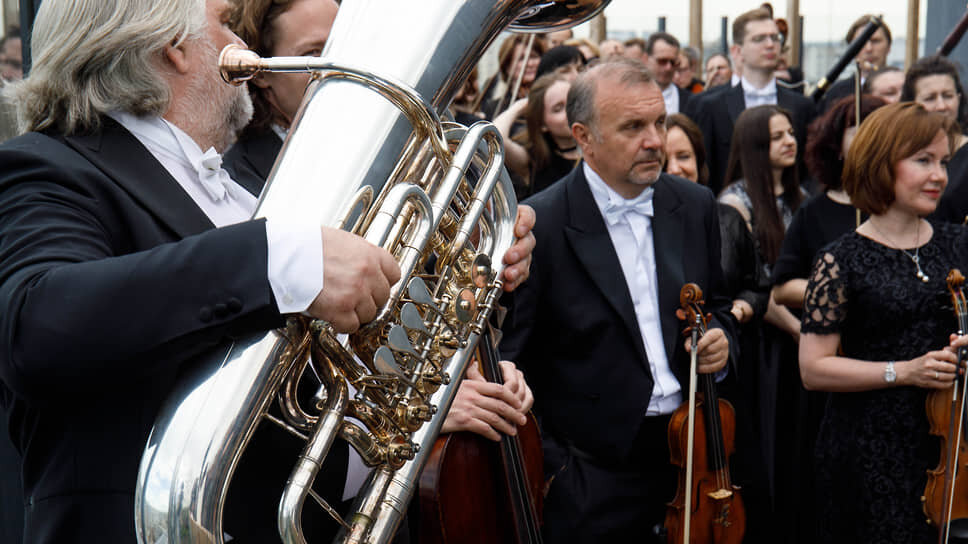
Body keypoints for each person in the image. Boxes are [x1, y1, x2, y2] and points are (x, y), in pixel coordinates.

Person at [0, 1, 535, 543]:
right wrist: (276, 257)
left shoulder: (237, 194)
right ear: (174, 47)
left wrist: (455, 304)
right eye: (228, 22)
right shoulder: (50, 165)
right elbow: (37, 323)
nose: (246, 43)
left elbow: (305, 392)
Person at [499, 57, 732, 543]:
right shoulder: (540, 222)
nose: (655, 140)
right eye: (633, 126)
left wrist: (723, 340)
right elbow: (512, 359)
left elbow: (720, 306)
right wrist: (557, 470)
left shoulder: (695, 204)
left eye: (659, 122)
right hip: (590, 474)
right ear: (583, 136)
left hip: (690, 453)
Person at [799, 101, 967, 542]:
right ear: (881, 164)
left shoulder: (959, 243)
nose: (939, 176)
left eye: (944, 162)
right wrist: (904, 371)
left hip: (950, 443)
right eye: (923, 161)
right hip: (869, 448)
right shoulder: (841, 260)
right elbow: (814, 369)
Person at [769, 93, 885, 543]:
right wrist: (840, 293)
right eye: (861, 127)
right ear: (838, 144)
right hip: (834, 372)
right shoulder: (816, 213)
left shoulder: (903, 210)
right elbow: (782, 286)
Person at [665, 112, 773, 541]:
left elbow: (755, 288)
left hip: (725, 381)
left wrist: (733, 322)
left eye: (685, 156)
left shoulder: (724, 219)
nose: (676, 167)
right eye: (668, 157)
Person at [718, 104, 806, 533]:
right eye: (777, 136)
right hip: (764, 344)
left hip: (799, 339)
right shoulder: (735, 204)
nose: (790, 140)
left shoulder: (799, 197)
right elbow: (752, 285)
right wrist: (796, 329)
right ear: (754, 146)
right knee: (768, 443)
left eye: (791, 132)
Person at [692, 7, 816, 194]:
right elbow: (705, 172)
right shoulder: (711, 106)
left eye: (775, 38)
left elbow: (812, 171)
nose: (770, 44)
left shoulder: (802, 106)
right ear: (737, 51)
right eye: (759, 39)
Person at [901, 55, 968, 225]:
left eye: (947, 96)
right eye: (930, 98)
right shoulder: (899, 152)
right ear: (911, 104)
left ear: (959, 99)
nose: (941, 106)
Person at [495, 73, 579, 199]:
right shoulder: (534, 161)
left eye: (572, 101)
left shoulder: (600, 144)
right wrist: (519, 107)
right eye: (558, 108)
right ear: (542, 124)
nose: (570, 110)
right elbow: (496, 136)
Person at [817, 15, 893, 114]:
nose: (869, 48)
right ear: (851, 50)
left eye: (876, 41)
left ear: (889, 47)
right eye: (861, 43)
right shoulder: (835, 94)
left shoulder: (903, 89)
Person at [643, 32, 692, 115]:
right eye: (662, 61)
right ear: (646, 59)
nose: (668, 67)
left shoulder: (691, 102)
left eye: (673, 62)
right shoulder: (629, 98)